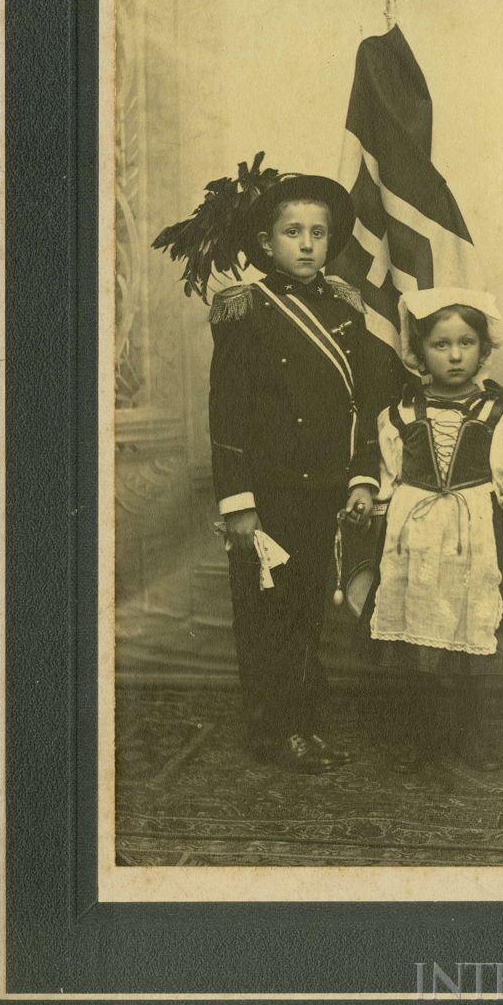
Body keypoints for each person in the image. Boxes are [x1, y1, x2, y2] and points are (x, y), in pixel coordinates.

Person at [157, 164, 388, 773]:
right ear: (266, 243)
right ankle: (274, 729)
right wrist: (238, 503)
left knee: (308, 610)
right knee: (266, 616)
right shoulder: (244, 309)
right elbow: (226, 414)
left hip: (327, 487)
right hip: (268, 494)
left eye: (319, 232)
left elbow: (361, 402)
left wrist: (363, 475)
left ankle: (302, 725)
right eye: (293, 232)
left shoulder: (344, 305)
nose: (308, 244)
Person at [345, 288, 503, 774]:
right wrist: (370, 524)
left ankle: (469, 733)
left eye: (465, 343)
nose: (453, 355)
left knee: (471, 644)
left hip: (474, 540)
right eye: (440, 344)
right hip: (415, 541)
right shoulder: (398, 415)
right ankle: (422, 737)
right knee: (415, 642)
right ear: (418, 351)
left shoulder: (501, 415)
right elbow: (385, 486)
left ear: (483, 349)